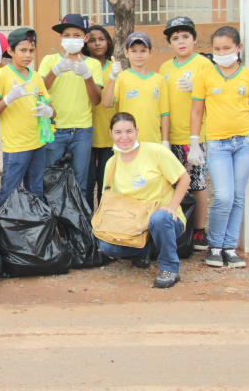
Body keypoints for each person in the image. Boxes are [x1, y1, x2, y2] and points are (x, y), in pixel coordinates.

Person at [189, 26, 249, 269]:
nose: (221, 53)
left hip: (245, 142)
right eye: (217, 49)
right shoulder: (205, 76)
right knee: (223, 196)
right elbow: (196, 111)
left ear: (238, 48)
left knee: (238, 196)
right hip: (217, 144)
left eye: (227, 48)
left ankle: (230, 247)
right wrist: (194, 143)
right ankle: (215, 245)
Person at [99, 112, 190, 289]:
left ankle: (170, 268)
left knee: (159, 219)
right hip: (134, 225)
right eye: (118, 132)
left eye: (129, 131)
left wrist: (172, 207)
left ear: (137, 131)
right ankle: (145, 250)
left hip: (163, 219)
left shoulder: (156, 152)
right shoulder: (112, 163)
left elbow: (184, 179)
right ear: (110, 134)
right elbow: (110, 200)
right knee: (107, 247)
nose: (124, 137)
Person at [159, 16, 213, 250]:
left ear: (194, 40)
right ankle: (180, 230)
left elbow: (216, 95)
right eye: (175, 38)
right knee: (174, 185)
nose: (181, 42)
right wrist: (164, 138)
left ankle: (200, 231)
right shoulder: (165, 68)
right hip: (172, 137)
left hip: (195, 137)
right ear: (170, 43)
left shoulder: (204, 64)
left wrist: (199, 89)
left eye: (185, 37)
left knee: (197, 184)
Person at [38, 14, 103, 198]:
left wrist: (87, 76)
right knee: (50, 182)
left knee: (80, 184)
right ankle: (54, 225)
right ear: (61, 38)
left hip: (82, 131)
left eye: (76, 35)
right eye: (67, 35)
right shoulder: (49, 60)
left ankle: (77, 226)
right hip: (55, 129)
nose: (71, 39)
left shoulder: (93, 64)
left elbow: (96, 100)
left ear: (85, 38)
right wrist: (55, 71)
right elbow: (40, 90)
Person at [0, 28, 53, 205]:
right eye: (22, 50)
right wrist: (8, 99)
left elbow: (51, 106)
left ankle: (35, 230)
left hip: (37, 143)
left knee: (36, 192)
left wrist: (49, 111)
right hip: (16, 147)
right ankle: (4, 229)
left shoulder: (37, 77)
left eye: (31, 51)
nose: (28, 55)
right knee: (9, 192)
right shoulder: (1, 75)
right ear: (10, 51)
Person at [102, 32, 169, 145]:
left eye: (143, 51)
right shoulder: (121, 77)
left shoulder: (159, 79)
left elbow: (164, 114)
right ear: (126, 53)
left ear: (150, 53)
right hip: (126, 142)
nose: (139, 55)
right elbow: (107, 103)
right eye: (134, 51)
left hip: (153, 142)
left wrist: (165, 141)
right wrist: (112, 78)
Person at [84, 24, 117, 210]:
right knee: (86, 186)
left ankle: (104, 224)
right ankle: (87, 229)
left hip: (110, 136)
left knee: (106, 187)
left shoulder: (116, 69)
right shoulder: (82, 66)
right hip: (87, 135)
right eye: (92, 40)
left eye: (102, 39)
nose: (97, 44)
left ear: (109, 42)